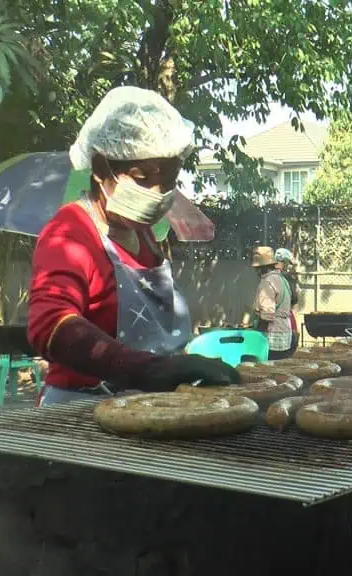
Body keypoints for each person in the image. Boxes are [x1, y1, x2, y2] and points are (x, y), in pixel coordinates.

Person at [27, 86, 240, 405]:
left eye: (169, 180)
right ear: (101, 169)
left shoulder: (143, 235)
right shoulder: (70, 232)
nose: (158, 191)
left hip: (144, 404)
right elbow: (49, 324)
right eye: (143, 178)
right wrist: (149, 370)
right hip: (81, 410)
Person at [251, 246, 294, 360]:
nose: (255, 271)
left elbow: (267, 314)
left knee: (269, 370)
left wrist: (257, 336)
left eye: (257, 268)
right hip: (285, 332)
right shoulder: (282, 279)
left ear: (262, 267)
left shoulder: (267, 282)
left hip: (273, 336)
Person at [274, 248, 301, 354]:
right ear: (284, 262)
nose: (289, 266)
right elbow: (294, 302)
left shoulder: (269, 277)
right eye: (288, 263)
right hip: (286, 320)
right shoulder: (288, 278)